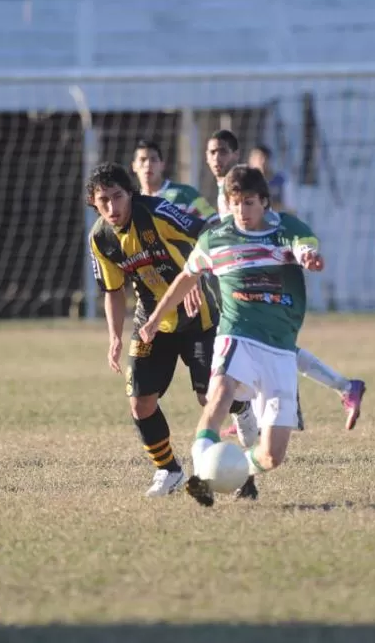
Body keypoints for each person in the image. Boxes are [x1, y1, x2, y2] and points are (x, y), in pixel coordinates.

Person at [139, 166, 324, 507]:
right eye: (235, 202)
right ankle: (199, 475)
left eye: (250, 202)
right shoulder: (215, 238)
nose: (242, 211)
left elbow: (302, 247)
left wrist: (308, 257)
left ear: (265, 203)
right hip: (236, 332)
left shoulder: (286, 229)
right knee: (220, 394)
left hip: (279, 347)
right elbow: (186, 277)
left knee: (272, 455)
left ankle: (234, 472)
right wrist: (154, 318)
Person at [86, 162, 255, 497]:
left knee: (209, 397)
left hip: (198, 318)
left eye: (117, 197)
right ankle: (169, 471)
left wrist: (191, 275)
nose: (111, 207)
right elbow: (112, 291)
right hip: (152, 323)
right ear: (94, 203)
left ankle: (242, 417)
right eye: (103, 200)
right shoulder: (100, 239)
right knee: (140, 402)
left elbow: (206, 231)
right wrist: (114, 338)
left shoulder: (158, 212)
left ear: (130, 193)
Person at [203, 129, 366, 433]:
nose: (217, 158)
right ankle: (339, 388)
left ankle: (269, 413)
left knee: (264, 348)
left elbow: (279, 222)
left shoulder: (242, 188)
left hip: (264, 275)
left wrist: (298, 250)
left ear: (237, 156)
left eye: (223, 152)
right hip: (240, 277)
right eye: (212, 152)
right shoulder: (224, 189)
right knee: (267, 349)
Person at [131, 138, 216, 219]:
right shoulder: (132, 203)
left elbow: (214, 221)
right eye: (142, 160)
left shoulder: (188, 192)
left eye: (153, 160)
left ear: (162, 165)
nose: (148, 164)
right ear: (134, 166)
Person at [248, 144, 296, 214]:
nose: (261, 162)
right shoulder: (244, 182)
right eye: (257, 159)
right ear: (250, 161)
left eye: (264, 158)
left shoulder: (282, 181)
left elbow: (291, 209)